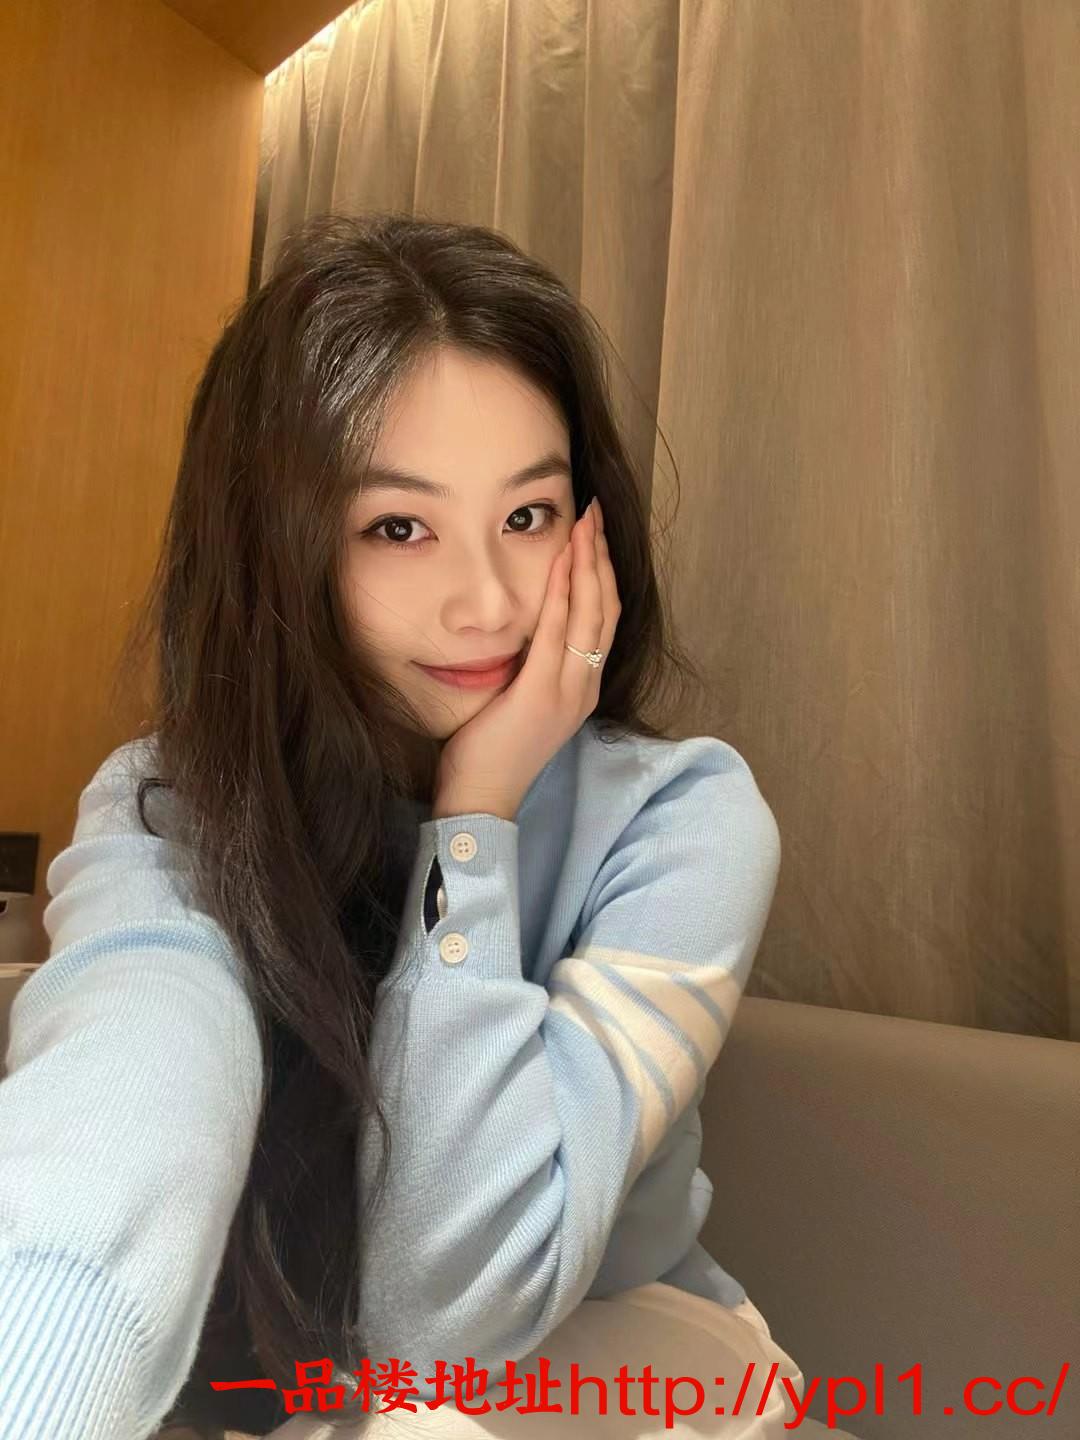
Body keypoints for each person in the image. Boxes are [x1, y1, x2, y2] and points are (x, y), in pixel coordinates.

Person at [0, 213, 856, 1440]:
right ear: (278, 551)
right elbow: (126, 1107)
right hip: (322, 1396)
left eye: (530, 516)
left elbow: (445, 1319)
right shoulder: (177, 808)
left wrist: (475, 819)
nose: (490, 603)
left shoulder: (681, 822)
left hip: (633, 1358)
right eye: (398, 528)